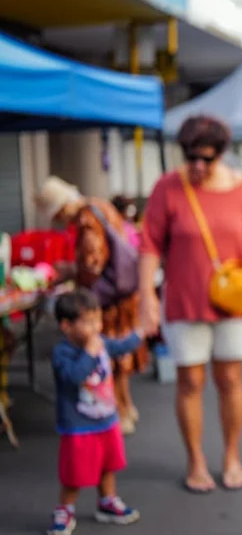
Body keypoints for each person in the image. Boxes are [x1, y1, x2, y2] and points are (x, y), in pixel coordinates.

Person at [139, 115, 242, 493]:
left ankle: (231, 456)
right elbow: (150, 244)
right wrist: (145, 298)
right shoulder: (167, 188)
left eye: (206, 158)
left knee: (230, 378)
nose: (198, 166)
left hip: (233, 302)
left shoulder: (239, 189)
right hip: (184, 300)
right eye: (191, 157)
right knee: (189, 381)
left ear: (220, 154)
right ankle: (195, 460)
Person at [36, 178, 148, 436]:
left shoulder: (87, 222)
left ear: (62, 209)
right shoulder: (100, 204)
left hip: (107, 300)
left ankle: (119, 412)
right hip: (123, 294)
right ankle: (127, 407)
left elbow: (92, 264)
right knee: (119, 355)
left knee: (106, 354)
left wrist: (71, 273)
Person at [47, 288, 143, 535]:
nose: (96, 327)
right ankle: (65, 509)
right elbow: (74, 377)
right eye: (88, 322)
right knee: (74, 473)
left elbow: (121, 346)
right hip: (78, 426)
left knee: (108, 465)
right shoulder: (62, 353)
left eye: (97, 320)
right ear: (66, 326)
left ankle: (107, 501)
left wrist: (141, 333)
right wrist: (89, 353)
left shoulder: (100, 343)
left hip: (106, 420)